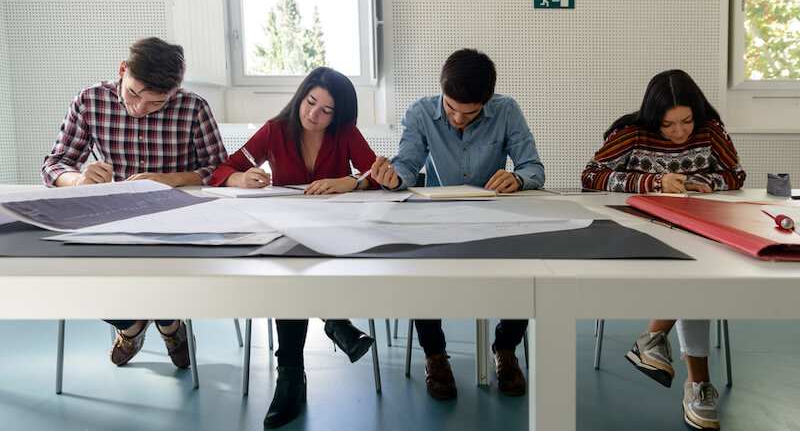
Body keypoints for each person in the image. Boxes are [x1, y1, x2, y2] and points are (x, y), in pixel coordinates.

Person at [42, 37, 228, 370]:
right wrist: (78, 180)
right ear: (122, 71)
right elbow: (55, 163)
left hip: (176, 218)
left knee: (165, 265)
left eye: (156, 103)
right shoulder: (90, 101)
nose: (139, 108)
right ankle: (130, 324)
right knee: (71, 270)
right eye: (133, 94)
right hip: (110, 216)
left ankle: (168, 323)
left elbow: (221, 169)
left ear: (173, 91)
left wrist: (168, 179)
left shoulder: (193, 107)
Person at [369, 48, 545, 399]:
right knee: (420, 269)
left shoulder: (507, 110)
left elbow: (534, 169)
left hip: (496, 217)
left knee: (527, 266)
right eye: (450, 109)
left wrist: (518, 179)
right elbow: (406, 164)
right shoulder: (420, 112)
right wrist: (393, 179)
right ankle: (435, 355)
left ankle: (505, 349)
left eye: (469, 113)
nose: (457, 118)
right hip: (438, 217)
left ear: (487, 100)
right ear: (442, 91)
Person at [210, 66, 377, 428]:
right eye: (310, 101)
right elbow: (223, 170)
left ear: (340, 115)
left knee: (296, 271)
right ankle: (335, 324)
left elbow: (376, 175)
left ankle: (291, 378)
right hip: (287, 234)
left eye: (325, 110)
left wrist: (350, 183)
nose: (312, 114)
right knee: (292, 269)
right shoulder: (274, 130)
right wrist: (241, 177)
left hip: (337, 237)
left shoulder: (346, 133)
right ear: (301, 96)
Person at [581, 69, 746, 431]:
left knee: (697, 264)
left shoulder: (710, 130)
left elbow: (735, 174)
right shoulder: (630, 133)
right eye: (668, 125)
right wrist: (653, 182)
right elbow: (591, 176)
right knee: (697, 268)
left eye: (686, 121)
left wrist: (706, 181)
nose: (680, 132)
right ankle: (695, 383)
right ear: (654, 117)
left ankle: (655, 340)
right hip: (638, 228)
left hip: (694, 228)